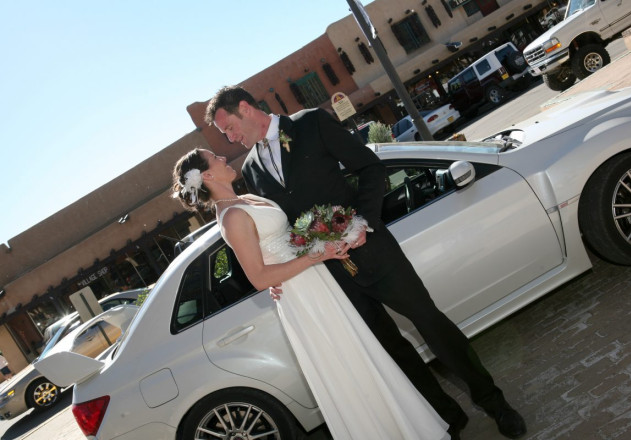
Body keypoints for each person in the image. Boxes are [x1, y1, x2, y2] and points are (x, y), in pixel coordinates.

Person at [204, 85, 527, 439]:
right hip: (333, 279)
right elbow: (275, 230)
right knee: (393, 351)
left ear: (247, 108)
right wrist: (276, 276)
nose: (232, 139)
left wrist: (364, 223)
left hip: (374, 253)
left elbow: (370, 168)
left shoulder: (311, 124)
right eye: (225, 136)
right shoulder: (251, 170)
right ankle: (448, 421)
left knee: (433, 326)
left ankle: (495, 403)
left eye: (230, 128)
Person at [172, 149, 450, 439]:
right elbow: (258, 277)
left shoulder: (245, 200)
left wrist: (324, 240)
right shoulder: (231, 218)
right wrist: (317, 257)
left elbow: (284, 242)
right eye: (215, 158)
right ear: (207, 175)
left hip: (316, 281)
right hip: (302, 295)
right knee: (347, 365)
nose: (222, 157)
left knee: (361, 353)